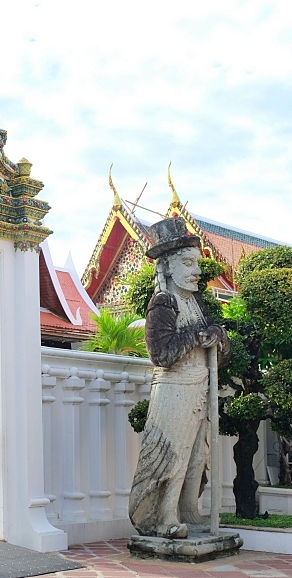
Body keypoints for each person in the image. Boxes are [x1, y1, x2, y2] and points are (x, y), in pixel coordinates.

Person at [129, 217, 229, 539]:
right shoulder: (163, 302)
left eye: (197, 263)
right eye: (188, 263)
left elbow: (219, 350)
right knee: (174, 454)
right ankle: (165, 515)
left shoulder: (195, 303)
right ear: (168, 268)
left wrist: (216, 336)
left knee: (197, 454)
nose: (196, 271)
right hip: (174, 388)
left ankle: (188, 510)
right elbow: (162, 354)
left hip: (198, 387)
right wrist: (200, 335)